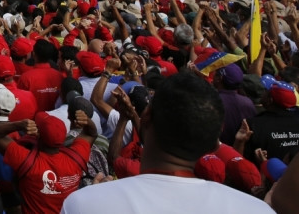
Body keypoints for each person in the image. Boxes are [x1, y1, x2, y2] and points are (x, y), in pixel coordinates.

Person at [61, 72, 274, 213]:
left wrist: (98, 198)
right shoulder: (256, 210)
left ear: (145, 118)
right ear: (213, 140)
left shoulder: (85, 204)